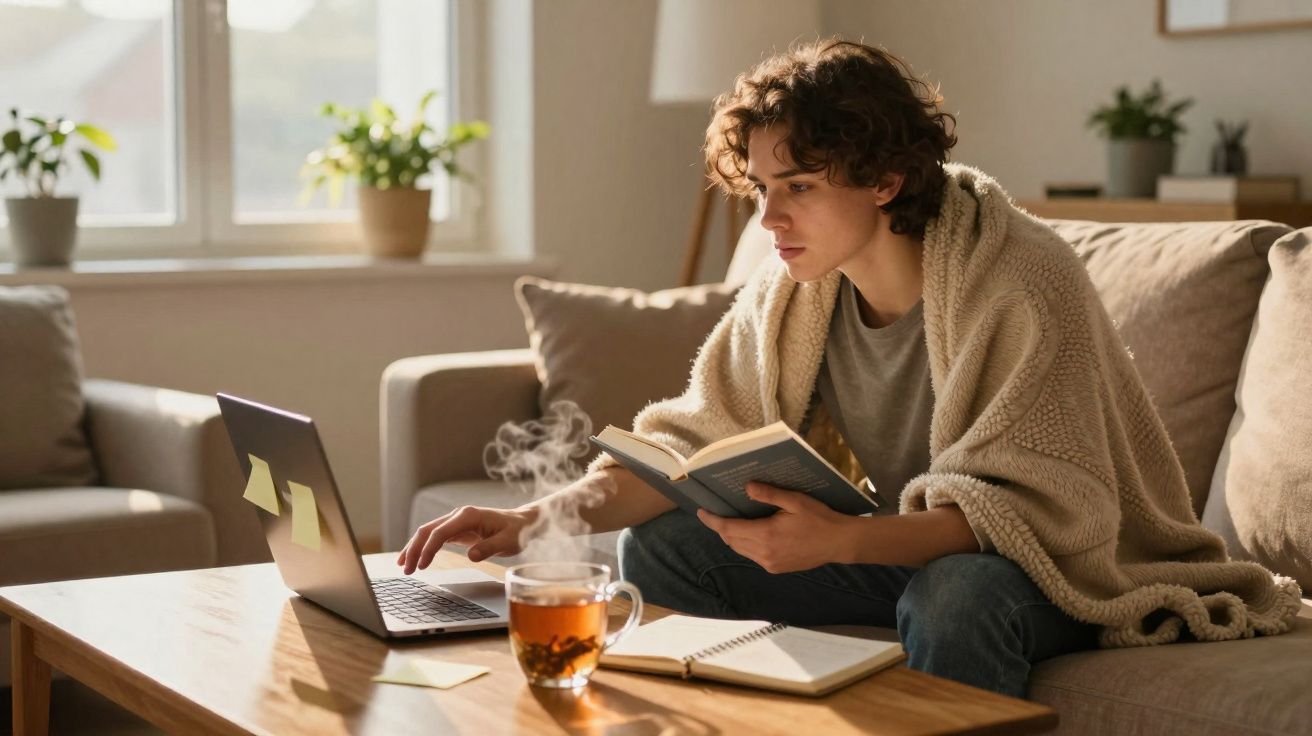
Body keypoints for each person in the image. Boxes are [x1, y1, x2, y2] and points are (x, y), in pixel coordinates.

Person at [398, 38, 1300, 698]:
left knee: (956, 600)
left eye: (799, 186)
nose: (770, 220)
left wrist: (841, 541)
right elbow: (684, 447)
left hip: (1066, 567)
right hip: (906, 544)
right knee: (666, 545)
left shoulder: (1020, 279)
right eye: (761, 190)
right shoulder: (796, 290)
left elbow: (1023, 513)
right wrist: (530, 517)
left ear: (883, 179)